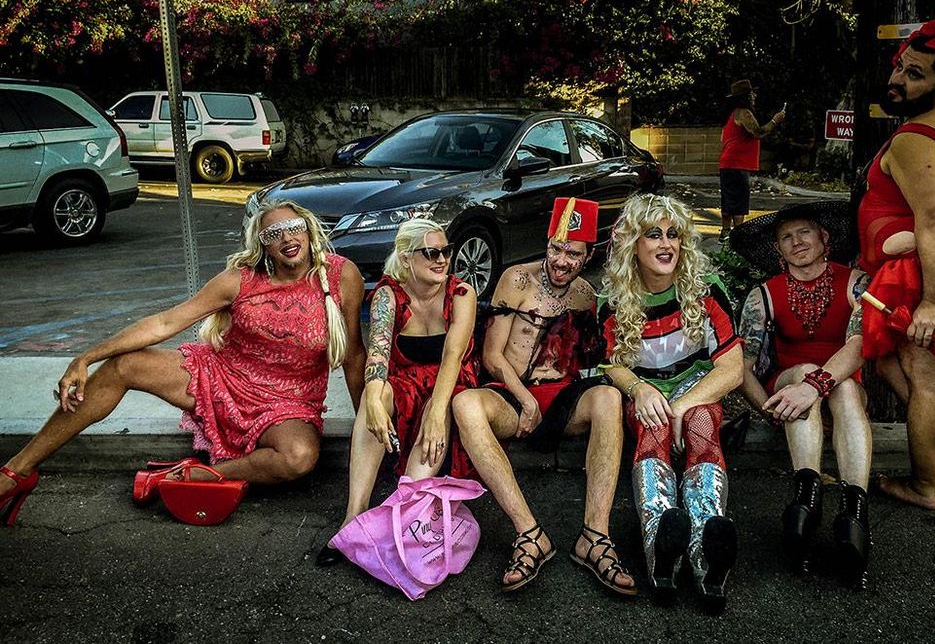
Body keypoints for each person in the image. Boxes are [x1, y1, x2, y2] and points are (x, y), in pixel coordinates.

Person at [0, 200, 366, 525]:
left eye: (293, 227)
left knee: (298, 457)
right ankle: (17, 472)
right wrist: (86, 357)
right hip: (219, 379)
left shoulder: (340, 275)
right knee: (124, 365)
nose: (286, 237)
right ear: (263, 245)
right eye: (273, 233)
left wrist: (368, 429)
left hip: (289, 402)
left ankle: (200, 475)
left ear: (307, 229)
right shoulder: (239, 280)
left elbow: (353, 357)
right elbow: (165, 323)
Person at [449, 198, 635, 595]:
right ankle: (529, 534)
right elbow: (492, 356)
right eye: (556, 248)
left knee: (608, 397)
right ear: (547, 243)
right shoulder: (516, 279)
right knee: (464, 404)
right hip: (513, 393)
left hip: (563, 398)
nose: (561, 261)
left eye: (573, 253)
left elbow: (589, 360)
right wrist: (526, 399)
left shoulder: (585, 295)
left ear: (587, 256)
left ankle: (595, 537)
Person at [857, 19, 935, 510]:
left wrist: (933, 303)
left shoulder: (919, 137)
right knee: (895, 363)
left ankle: (925, 486)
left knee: (928, 380)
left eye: (915, 75)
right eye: (899, 66)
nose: (897, 80)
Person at [599, 194, 742, 613]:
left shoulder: (705, 289)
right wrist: (638, 389)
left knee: (700, 423)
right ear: (633, 244)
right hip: (647, 391)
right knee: (654, 425)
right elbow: (611, 365)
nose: (666, 244)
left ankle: (707, 556)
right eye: (653, 234)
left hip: (697, 389)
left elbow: (732, 369)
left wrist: (681, 405)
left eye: (673, 234)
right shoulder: (612, 301)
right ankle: (660, 552)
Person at [317, 218, 478, 565]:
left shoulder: (461, 293)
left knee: (438, 409)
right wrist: (374, 399)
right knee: (376, 396)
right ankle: (354, 513)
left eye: (446, 251)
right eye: (431, 252)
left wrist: (436, 412)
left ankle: (399, 510)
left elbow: (452, 358)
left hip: (450, 382)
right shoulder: (388, 296)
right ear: (406, 258)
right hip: (406, 382)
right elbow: (378, 356)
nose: (442, 260)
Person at [731, 201, 872, 586]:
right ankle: (807, 501)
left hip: (841, 392)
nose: (796, 242)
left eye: (804, 232)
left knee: (843, 387)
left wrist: (814, 388)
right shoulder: (763, 295)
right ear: (778, 249)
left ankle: (853, 514)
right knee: (804, 372)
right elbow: (741, 367)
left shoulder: (856, 283)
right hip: (787, 384)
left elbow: (859, 344)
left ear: (824, 238)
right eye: (786, 237)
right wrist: (769, 410)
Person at [719, 79, 787, 240]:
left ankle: (726, 232)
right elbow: (758, 132)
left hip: (728, 163)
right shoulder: (744, 113)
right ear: (746, 97)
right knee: (739, 201)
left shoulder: (732, 114)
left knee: (728, 199)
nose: (754, 96)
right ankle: (738, 236)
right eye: (752, 94)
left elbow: (723, 138)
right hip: (737, 163)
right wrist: (775, 120)